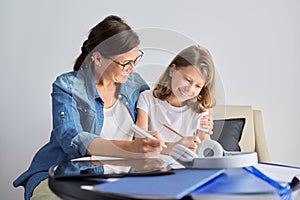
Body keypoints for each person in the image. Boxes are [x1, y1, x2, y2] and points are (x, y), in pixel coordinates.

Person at [13, 15, 165, 200]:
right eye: (125, 62)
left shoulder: (136, 85)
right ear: (98, 58)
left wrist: (158, 145)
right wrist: (131, 148)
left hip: (122, 179)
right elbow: (73, 138)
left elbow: (146, 131)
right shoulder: (67, 86)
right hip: (67, 176)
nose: (132, 68)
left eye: (135, 60)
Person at [135, 45, 215, 154]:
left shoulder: (200, 109)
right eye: (187, 79)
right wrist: (175, 147)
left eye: (198, 86)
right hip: (153, 167)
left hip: (187, 168)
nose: (190, 89)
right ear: (172, 70)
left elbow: (206, 150)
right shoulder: (147, 99)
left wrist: (203, 141)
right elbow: (139, 143)